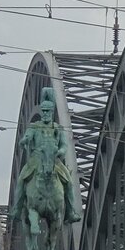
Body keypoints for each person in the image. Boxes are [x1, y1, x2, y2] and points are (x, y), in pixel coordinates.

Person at [11, 87, 82, 225]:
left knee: (68, 182)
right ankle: (17, 209)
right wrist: (24, 140)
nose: (44, 113)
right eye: (43, 111)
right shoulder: (34, 126)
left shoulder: (58, 128)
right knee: (21, 180)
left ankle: (71, 211)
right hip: (36, 160)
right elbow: (26, 137)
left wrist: (61, 151)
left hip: (54, 160)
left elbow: (64, 145)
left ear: (52, 112)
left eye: (47, 111)